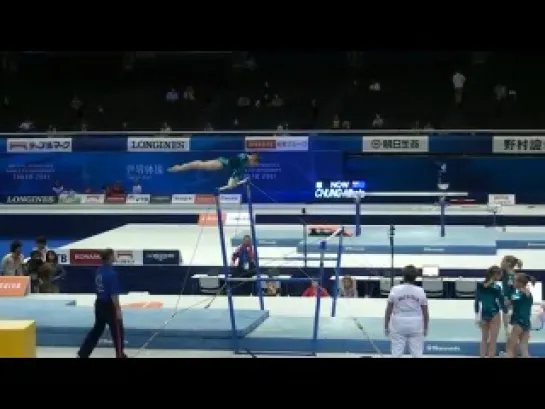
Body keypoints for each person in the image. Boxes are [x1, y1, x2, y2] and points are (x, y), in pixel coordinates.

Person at [78, 248, 127, 358]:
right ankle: (120, 354)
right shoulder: (111, 274)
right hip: (109, 306)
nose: (115, 257)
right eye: (113, 255)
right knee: (118, 332)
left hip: (99, 304)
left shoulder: (99, 270)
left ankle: (83, 353)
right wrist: (118, 310)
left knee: (97, 330)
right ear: (110, 258)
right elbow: (114, 295)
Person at [384, 265, 429, 358]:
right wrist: (425, 328)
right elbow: (425, 312)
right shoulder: (420, 291)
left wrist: (386, 326)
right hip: (416, 324)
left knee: (396, 353)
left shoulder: (395, 290)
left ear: (403, 276)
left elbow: (388, 310)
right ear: (415, 277)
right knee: (417, 354)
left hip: (398, 323)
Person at [167, 153, 260, 188]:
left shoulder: (246, 161)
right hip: (221, 164)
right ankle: (179, 168)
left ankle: (180, 167)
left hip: (222, 164)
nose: (253, 166)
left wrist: (235, 180)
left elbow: (238, 170)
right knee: (199, 165)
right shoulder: (244, 158)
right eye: (254, 165)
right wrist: (232, 178)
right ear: (253, 160)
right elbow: (235, 166)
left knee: (199, 164)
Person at [474, 265, 506, 358]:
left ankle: (485, 356)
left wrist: (477, 314)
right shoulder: (494, 287)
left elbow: (477, 301)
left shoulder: (482, 285)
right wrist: (506, 311)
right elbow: (501, 302)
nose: (500, 277)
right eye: (499, 275)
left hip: (487, 313)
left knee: (487, 339)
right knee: (489, 339)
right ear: (495, 274)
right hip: (491, 313)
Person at [506, 273, 533, 358]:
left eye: (514, 281)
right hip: (527, 323)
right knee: (524, 348)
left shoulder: (520, 294)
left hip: (518, 323)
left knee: (510, 348)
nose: (512, 282)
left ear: (519, 283)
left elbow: (507, 303)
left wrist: (510, 289)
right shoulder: (527, 293)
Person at [500, 255, 523, 339]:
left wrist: (510, 300)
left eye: (503, 261)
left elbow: (517, 291)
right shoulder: (507, 274)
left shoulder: (511, 276)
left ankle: (510, 349)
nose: (501, 263)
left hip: (509, 301)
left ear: (508, 263)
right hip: (507, 300)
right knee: (508, 327)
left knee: (510, 326)